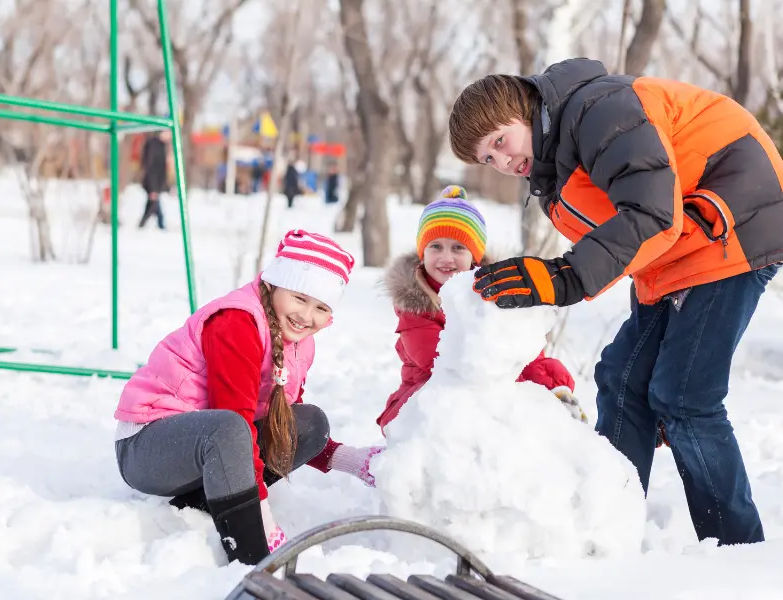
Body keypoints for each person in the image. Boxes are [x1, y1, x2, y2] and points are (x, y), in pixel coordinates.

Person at [449, 57, 783, 546]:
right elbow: (628, 239)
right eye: (488, 160)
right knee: (621, 379)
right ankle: (610, 531)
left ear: (523, 108)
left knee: (685, 396)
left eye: (500, 142)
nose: (502, 163)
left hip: (733, 226)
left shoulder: (599, 108)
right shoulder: (554, 172)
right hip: (676, 255)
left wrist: (563, 277)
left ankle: (736, 550)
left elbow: (651, 213)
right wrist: (557, 277)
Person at [113, 229, 356, 565]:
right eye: (299, 298)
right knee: (229, 429)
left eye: (321, 307)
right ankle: (251, 554)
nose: (306, 316)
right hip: (146, 447)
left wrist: (348, 460)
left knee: (310, 423)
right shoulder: (237, 322)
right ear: (273, 284)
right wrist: (263, 518)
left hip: (206, 442)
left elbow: (279, 420)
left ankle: (205, 504)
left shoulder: (297, 339)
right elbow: (235, 421)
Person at [316, 186, 585, 487]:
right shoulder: (415, 306)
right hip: (430, 396)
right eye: (436, 246)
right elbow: (442, 361)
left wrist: (549, 386)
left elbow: (524, 350)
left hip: (492, 392)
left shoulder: (495, 294)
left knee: (521, 430)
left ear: (475, 255)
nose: (446, 257)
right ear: (423, 252)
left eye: (458, 248)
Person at [139, 130, 169, 229]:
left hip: (156, 183)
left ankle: (144, 224)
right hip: (152, 183)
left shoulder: (162, 146)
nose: (169, 136)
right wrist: (153, 188)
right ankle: (159, 225)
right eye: (168, 133)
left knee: (152, 204)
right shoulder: (154, 145)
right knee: (153, 204)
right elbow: (151, 167)